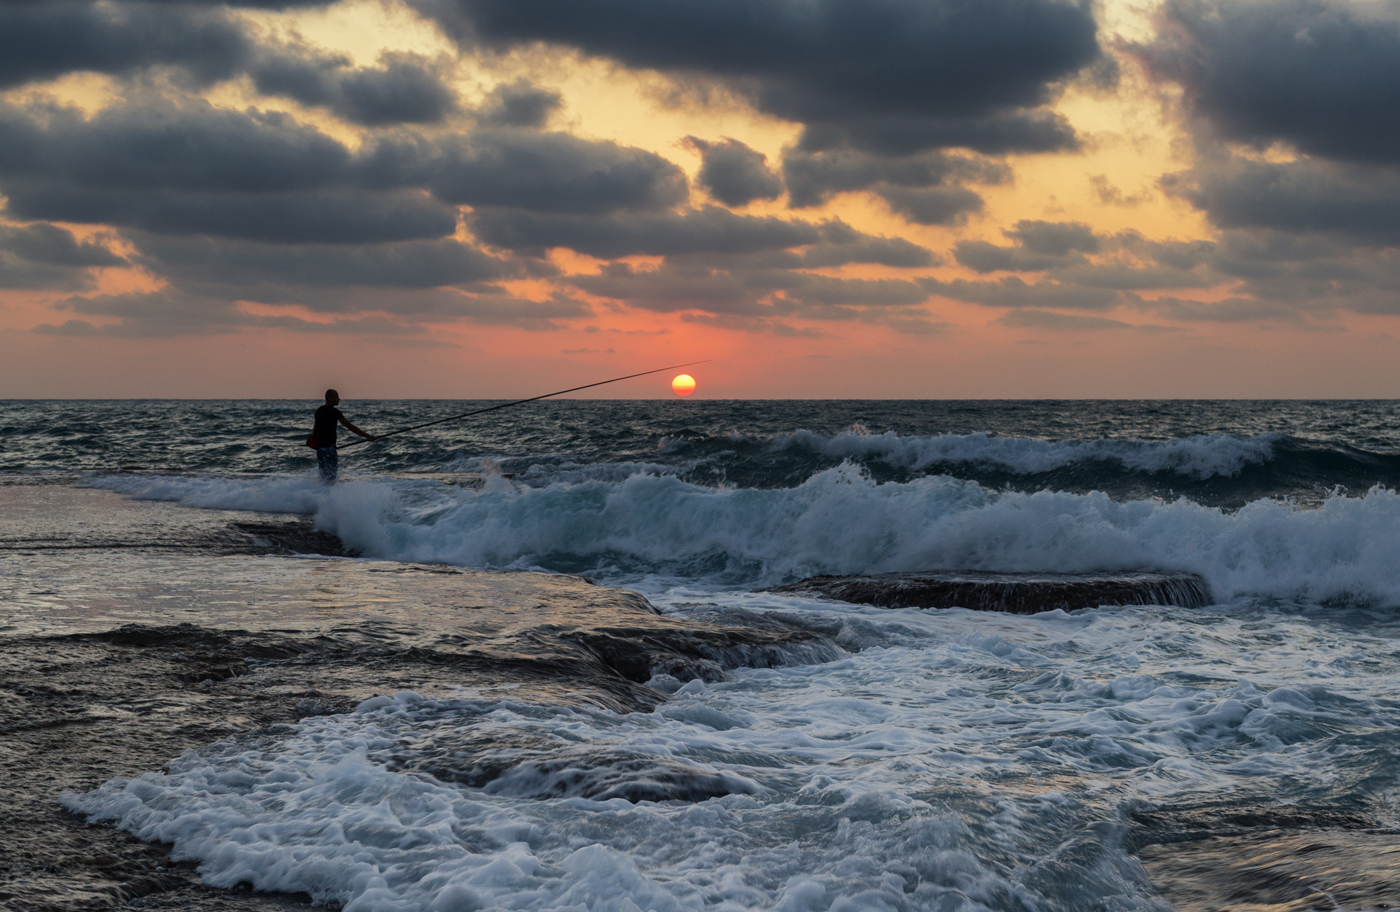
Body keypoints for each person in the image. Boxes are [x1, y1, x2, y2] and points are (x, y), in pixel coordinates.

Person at [311, 389, 376, 483]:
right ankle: (329, 495)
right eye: (337, 397)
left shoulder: (319, 411)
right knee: (331, 479)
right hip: (330, 449)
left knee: (323, 478)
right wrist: (367, 436)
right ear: (330, 398)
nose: (339, 399)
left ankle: (322, 494)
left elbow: (314, 431)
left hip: (320, 450)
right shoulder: (335, 412)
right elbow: (350, 426)